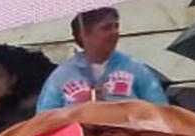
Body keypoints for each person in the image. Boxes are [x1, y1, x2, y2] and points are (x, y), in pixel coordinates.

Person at [35, 8, 168, 111]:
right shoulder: (61, 76)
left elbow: (161, 110)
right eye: (106, 28)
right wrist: (80, 108)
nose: (115, 32)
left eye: (116, 26)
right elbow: (44, 118)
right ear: (84, 35)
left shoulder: (135, 69)